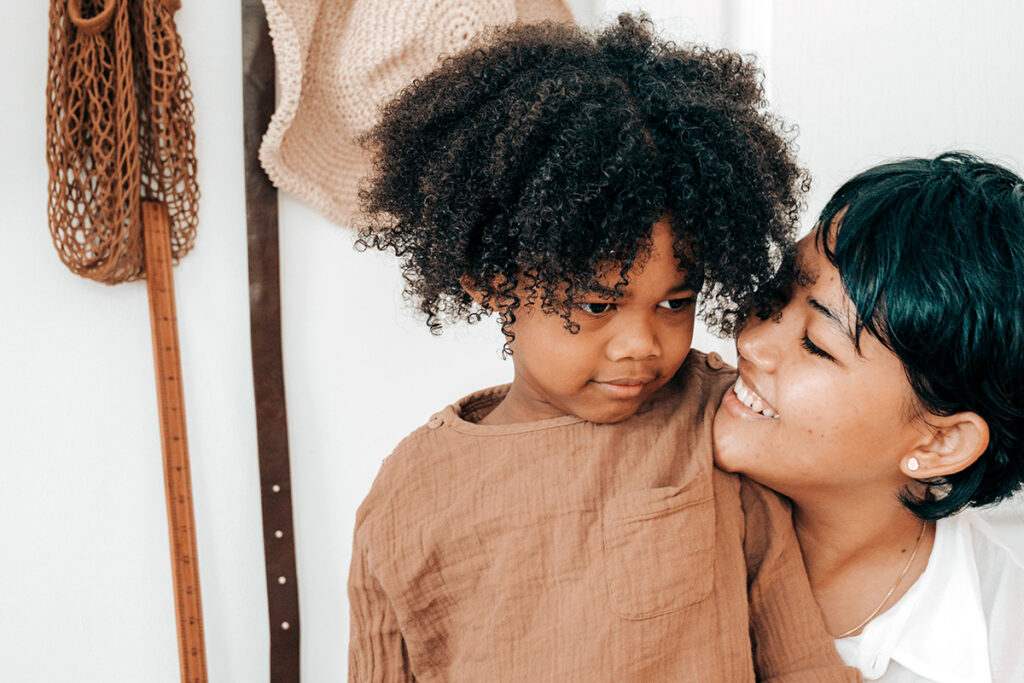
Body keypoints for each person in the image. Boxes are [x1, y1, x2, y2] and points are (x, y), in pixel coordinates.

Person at [347, 13, 859, 682]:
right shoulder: (406, 494)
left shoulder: (717, 422)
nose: (643, 344)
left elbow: (800, 661)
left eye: (676, 302)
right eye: (596, 305)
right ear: (493, 282)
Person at [714, 152, 1024, 682]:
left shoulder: (1001, 644)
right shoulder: (646, 461)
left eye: (815, 344)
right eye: (776, 295)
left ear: (939, 443)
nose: (749, 341)